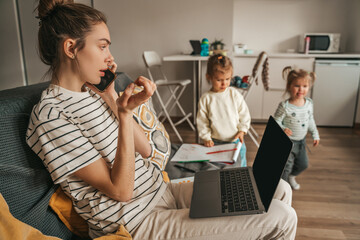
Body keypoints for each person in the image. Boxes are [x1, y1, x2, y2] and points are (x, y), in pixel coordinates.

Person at [26, 1, 297, 239]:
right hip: (136, 221)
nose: (110, 58)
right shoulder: (51, 116)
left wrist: (112, 98)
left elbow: (145, 149)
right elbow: (121, 191)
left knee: (279, 188)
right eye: (102, 46)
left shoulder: (95, 93)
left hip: (163, 191)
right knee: (282, 216)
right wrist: (121, 116)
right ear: (71, 48)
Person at [196, 54, 250, 167]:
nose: (224, 83)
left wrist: (242, 130)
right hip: (215, 142)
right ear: (209, 77)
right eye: (219, 80)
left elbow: (244, 114)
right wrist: (206, 137)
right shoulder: (206, 98)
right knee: (218, 169)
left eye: (227, 79)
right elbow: (202, 121)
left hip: (235, 141)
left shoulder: (234, 94)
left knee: (239, 169)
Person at [274, 66, 320, 190]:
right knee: (286, 167)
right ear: (289, 86)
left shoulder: (309, 103)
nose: (301, 90)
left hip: (301, 142)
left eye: (304, 86)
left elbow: (310, 119)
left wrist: (315, 134)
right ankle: (283, 189)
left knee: (303, 164)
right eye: (297, 86)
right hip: (288, 142)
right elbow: (276, 121)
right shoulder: (285, 106)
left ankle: (292, 176)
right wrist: (283, 128)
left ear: (309, 87)